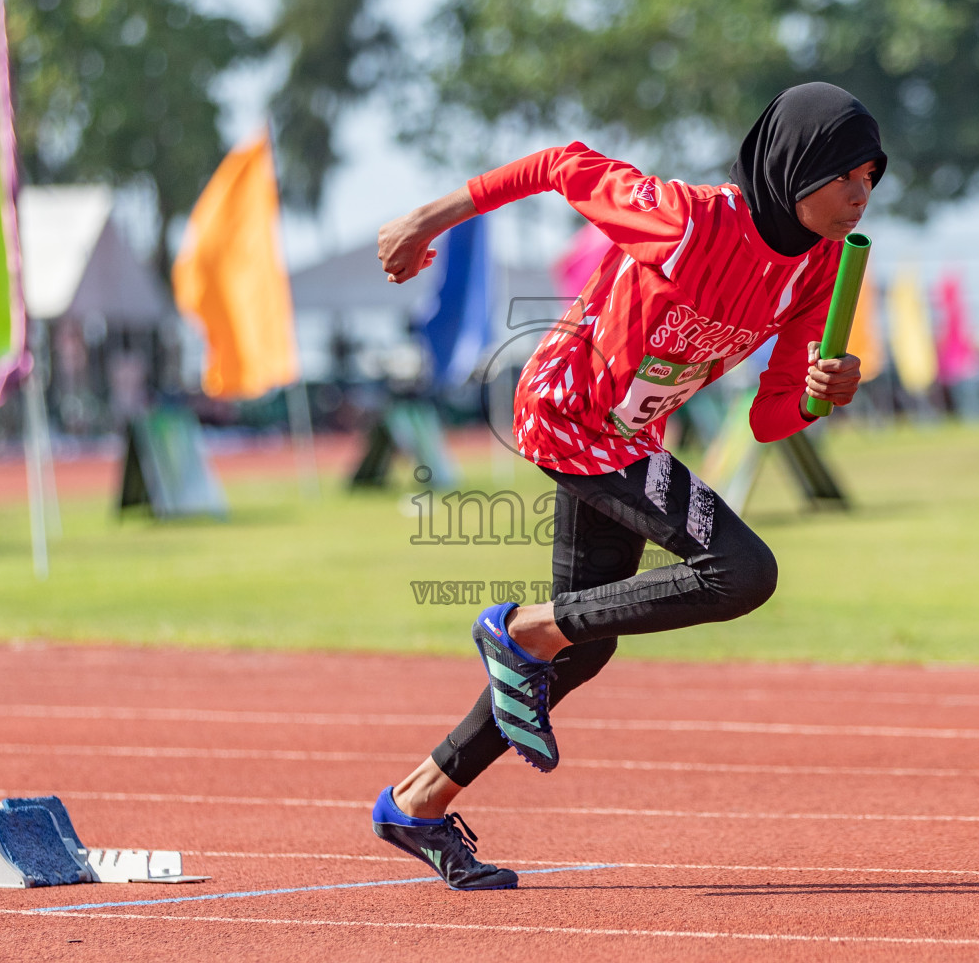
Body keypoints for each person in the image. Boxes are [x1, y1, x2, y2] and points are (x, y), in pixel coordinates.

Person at [369, 82, 885, 890]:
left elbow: (771, 418)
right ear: (794, 167)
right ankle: (522, 628)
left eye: (871, 178)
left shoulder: (819, 271)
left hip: (628, 437)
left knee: (580, 648)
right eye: (845, 175)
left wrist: (828, 388)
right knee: (743, 572)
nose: (861, 195)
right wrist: (425, 220)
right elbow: (559, 163)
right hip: (566, 411)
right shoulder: (687, 220)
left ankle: (417, 803)